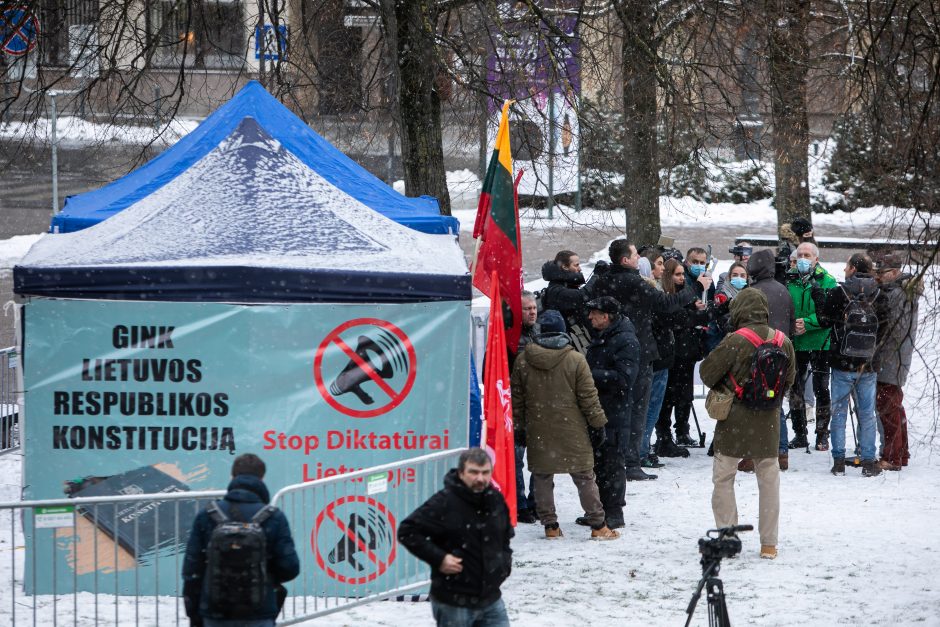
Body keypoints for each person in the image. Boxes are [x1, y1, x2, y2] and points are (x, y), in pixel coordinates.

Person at [594, 239, 710, 481]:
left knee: (616, 411)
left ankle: (612, 459)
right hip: (638, 352)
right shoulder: (634, 282)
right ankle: (632, 462)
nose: (640, 259)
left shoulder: (604, 280)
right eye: (636, 255)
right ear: (625, 260)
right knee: (638, 410)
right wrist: (696, 287)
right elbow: (666, 304)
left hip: (610, 351)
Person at [699, 289, 796, 561]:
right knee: (769, 481)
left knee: (724, 478)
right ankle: (769, 544)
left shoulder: (735, 340)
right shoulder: (783, 340)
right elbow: (789, 380)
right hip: (768, 421)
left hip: (734, 420)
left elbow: (707, 374)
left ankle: (728, 538)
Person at [510, 310, 620, 540]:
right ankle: (599, 525)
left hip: (539, 428)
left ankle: (550, 526)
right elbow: (589, 398)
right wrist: (598, 424)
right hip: (573, 428)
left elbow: (517, 401)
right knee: (584, 476)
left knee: (542, 476)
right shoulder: (575, 359)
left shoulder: (523, 361)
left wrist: (519, 428)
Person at [398, 448, 513, 627]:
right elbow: (407, 531)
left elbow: (505, 537)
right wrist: (440, 558)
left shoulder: (495, 500)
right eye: (473, 472)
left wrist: (504, 565)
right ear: (461, 473)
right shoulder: (444, 502)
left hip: (491, 598)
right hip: (454, 601)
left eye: (485, 473)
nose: (480, 478)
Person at [183, 454, 300, 627]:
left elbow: (192, 571)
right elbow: (290, 568)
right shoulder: (273, 517)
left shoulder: (207, 516)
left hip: (215, 613)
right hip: (259, 612)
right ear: (262, 478)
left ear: (232, 477)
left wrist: (195, 614)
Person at [811, 253, 882, 477]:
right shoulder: (880, 294)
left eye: (846, 266)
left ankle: (839, 460)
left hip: (842, 362)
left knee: (839, 412)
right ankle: (869, 461)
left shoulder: (839, 292)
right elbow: (885, 328)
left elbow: (824, 320)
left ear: (852, 268)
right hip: (868, 365)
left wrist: (819, 299)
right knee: (867, 413)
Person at [583, 296, 639, 529]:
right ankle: (600, 509)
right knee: (600, 461)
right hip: (601, 409)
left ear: (606, 317)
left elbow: (624, 378)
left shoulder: (625, 340)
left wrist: (588, 374)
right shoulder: (605, 336)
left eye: (594, 313)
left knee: (612, 462)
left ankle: (614, 511)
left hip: (615, 411)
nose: (589, 317)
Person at [746, 249, 797, 471]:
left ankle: (752, 454)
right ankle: (781, 451)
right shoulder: (783, 291)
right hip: (780, 354)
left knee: (752, 402)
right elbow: (792, 323)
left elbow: (741, 324)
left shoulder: (752, 292)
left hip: (756, 354)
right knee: (775, 401)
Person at [785, 242, 838, 451]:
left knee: (821, 389)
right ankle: (799, 433)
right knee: (795, 387)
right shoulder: (788, 279)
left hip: (820, 342)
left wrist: (807, 323)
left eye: (807, 255)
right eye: (800, 255)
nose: (803, 258)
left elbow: (831, 312)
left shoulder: (827, 280)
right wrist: (793, 324)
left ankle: (822, 434)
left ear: (816, 259)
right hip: (796, 342)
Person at [872, 252, 922, 471]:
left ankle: (892, 457)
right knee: (895, 406)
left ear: (894, 272)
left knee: (888, 407)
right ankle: (901, 453)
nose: (878, 277)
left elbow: (896, 329)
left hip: (891, 357)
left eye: (882, 273)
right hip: (896, 356)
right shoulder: (901, 290)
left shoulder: (897, 294)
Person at [657, 259, 709, 450]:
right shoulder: (668, 297)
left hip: (687, 351)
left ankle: (682, 430)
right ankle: (665, 434)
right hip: (673, 352)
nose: (681, 278)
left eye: (681, 274)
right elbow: (680, 319)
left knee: (685, 395)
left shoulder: (685, 293)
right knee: (668, 397)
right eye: (677, 274)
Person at [640, 250, 670, 468]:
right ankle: (641, 450)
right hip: (656, 358)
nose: (662, 268)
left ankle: (641, 448)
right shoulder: (650, 293)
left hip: (657, 356)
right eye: (659, 264)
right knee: (650, 407)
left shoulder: (653, 291)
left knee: (649, 407)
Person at [514, 291, 540, 523]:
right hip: (517, 406)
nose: (532, 312)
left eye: (533, 308)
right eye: (527, 309)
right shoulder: (509, 338)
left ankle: (535, 502)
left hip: (539, 405)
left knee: (540, 458)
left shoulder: (539, 333)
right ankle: (520, 504)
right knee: (516, 458)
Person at [540, 250, 591, 353]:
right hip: (567, 343)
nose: (579, 269)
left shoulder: (564, 284)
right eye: (576, 265)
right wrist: (596, 277)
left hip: (572, 339)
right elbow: (581, 296)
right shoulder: (557, 290)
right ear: (565, 267)